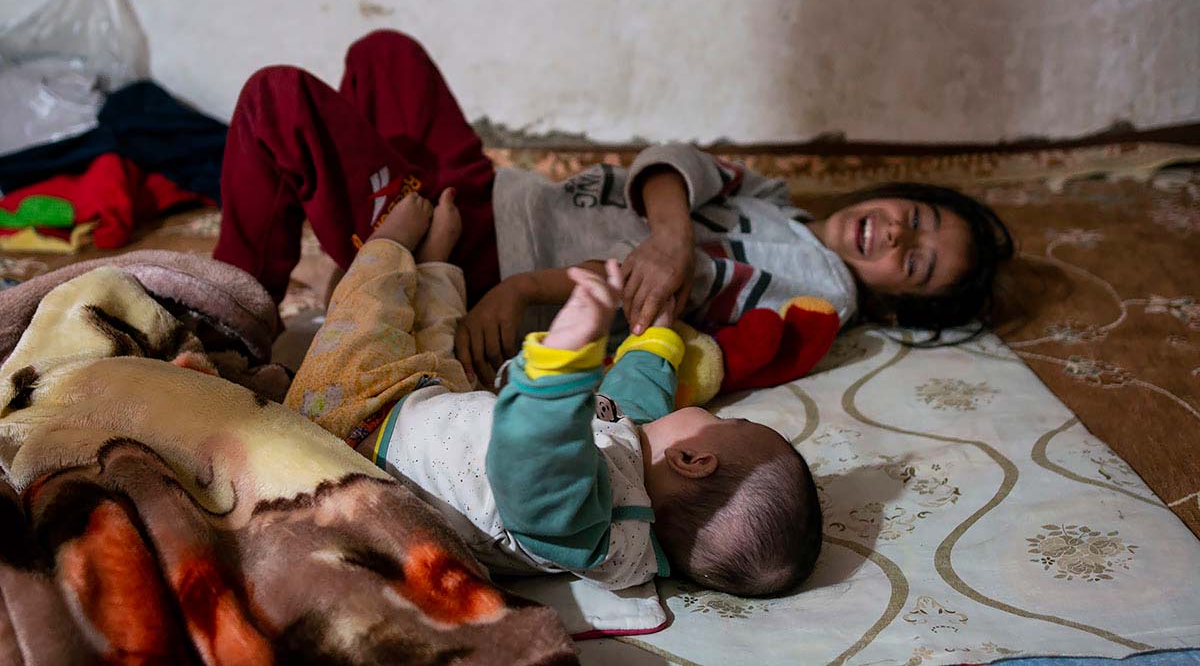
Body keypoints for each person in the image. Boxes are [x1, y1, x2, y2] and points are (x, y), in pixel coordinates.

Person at [214, 29, 1013, 386]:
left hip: (491, 259)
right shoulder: (787, 209)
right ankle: (380, 227)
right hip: (498, 193)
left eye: (913, 261)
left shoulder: (824, 287)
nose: (899, 231)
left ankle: (225, 316)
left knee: (278, 100)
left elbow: (676, 294)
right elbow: (672, 165)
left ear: (897, 300)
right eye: (919, 216)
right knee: (382, 55)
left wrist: (525, 291)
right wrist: (670, 233)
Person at [284, 190, 823, 597]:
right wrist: (656, 338)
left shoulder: (582, 526)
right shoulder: (640, 470)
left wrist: (566, 360)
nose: (712, 414)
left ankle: (389, 247)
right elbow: (634, 398)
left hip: (355, 426)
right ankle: (435, 267)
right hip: (428, 404)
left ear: (694, 459)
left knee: (366, 317)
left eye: (732, 425)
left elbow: (537, 454)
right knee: (441, 344)